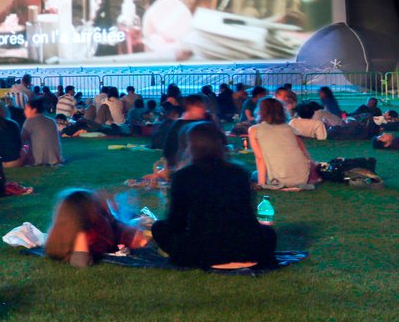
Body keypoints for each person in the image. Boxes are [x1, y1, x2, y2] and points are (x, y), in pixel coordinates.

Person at [153, 123, 278, 267]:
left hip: (205, 252)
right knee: (268, 233)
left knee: (159, 228)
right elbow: (247, 215)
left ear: (191, 147)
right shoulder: (239, 173)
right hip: (247, 249)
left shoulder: (184, 176)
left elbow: (176, 222)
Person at [43, 189, 146, 267]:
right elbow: (81, 261)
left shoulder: (99, 220)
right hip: (119, 234)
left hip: (120, 228)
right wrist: (81, 232)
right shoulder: (86, 234)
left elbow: (113, 222)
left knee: (141, 228)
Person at [248, 98, 318, 189]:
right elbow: (303, 151)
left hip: (278, 178)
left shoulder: (254, 130)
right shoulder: (289, 128)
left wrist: (261, 184)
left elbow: (260, 158)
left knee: (254, 174)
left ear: (261, 111)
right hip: (303, 175)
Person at [21, 97, 64, 166]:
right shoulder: (51, 121)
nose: (24, 111)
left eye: (26, 109)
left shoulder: (29, 121)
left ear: (34, 110)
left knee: (25, 145)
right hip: (55, 159)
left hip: (37, 160)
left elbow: (22, 139)